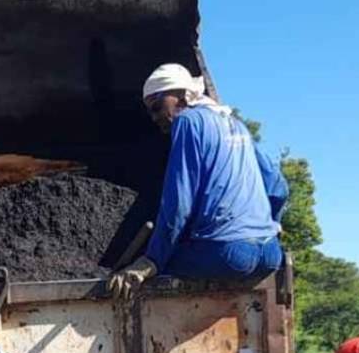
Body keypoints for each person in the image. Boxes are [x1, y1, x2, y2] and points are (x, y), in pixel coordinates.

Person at [107, 63, 287, 299]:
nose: (154, 117)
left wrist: (150, 261)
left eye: (157, 107)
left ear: (181, 96)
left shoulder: (188, 121)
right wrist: (272, 224)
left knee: (164, 264)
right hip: (270, 254)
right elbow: (277, 186)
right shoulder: (237, 125)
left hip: (227, 254)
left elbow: (179, 202)